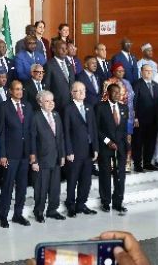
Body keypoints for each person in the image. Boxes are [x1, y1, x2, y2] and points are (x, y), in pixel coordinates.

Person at [0, 80, 32, 228]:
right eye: (16, 89)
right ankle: (3, 216)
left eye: (21, 89)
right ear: (10, 91)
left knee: (22, 187)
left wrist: (32, 152)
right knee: (8, 186)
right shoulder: (3, 107)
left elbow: (30, 131)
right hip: (10, 154)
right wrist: (2, 154)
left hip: (25, 153)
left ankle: (18, 214)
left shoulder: (27, 106)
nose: (19, 92)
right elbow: (1, 133)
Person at [29, 90, 64, 222]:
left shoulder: (56, 115)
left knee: (55, 188)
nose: (51, 103)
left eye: (52, 100)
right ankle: (39, 212)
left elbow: (60, 137)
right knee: (41, 188)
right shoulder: (35, 117)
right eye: (47, 101)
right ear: (40, 103)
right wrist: (34, 161)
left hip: (56, 158)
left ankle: (52, 210)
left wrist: (62, 155)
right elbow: (32, 139)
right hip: (41, 159)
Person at [64, 82, 98, 216]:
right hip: (75, 151)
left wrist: (95, 148)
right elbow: (66, 132)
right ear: (72, 93)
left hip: (88, 150)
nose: (82, 92)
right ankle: (70, 205)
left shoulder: (89, 107)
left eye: (83, 90)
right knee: (73, 179)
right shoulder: (68, 109)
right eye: (78, 90)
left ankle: (81, 204)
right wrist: (68, 151)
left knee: (86, 180)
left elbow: (93, 129)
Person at [96, 83, 129, 215]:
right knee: (105, 174)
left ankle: (118, 202)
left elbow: (124, 129)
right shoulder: (100, 107)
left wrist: (126, 146)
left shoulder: (124, 107)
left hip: (120, 147)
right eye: (114, 92)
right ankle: (105, 202)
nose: (117, 94)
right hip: (105, 147)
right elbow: (96, 128)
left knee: (120, 175)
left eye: (119, 92)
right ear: (108, 93)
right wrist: (107, 141)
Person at [132, 64, 158, 173]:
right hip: (140, 119)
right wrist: (135, 117)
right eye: (146, 70)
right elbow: (133, 102)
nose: (149, 72)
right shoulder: (137, 84)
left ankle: (147, 163)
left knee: (151, 142)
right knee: (138, 142)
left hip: (153, 119)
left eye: (150, 70)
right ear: (141, 72)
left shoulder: (156, 85)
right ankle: (137, 164)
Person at [42, 39, 75, 117]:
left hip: (71, 103)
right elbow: (46, 87)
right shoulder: (49, 65)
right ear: (54, 49)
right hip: (57, 104)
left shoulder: (69, 63)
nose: (64, 51)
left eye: (66, 48)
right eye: (61, 48)